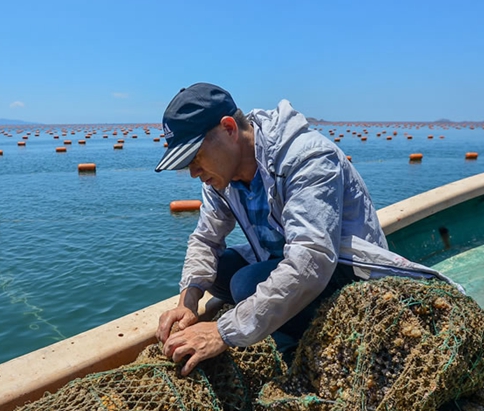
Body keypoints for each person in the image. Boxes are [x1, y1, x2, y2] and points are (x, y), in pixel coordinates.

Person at [154, 82, 458, 376]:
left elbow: (309, 262)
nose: (193, 172)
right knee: (218, 273)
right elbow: (206, 239)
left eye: (195, 158)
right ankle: (274, 316)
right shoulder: (220, 178)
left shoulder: (307, 157)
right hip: (286, 260)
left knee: (246, 284)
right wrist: (188, 301)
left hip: (347, 273)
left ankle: (299, 347)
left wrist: (223, 332)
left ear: (229, 130)